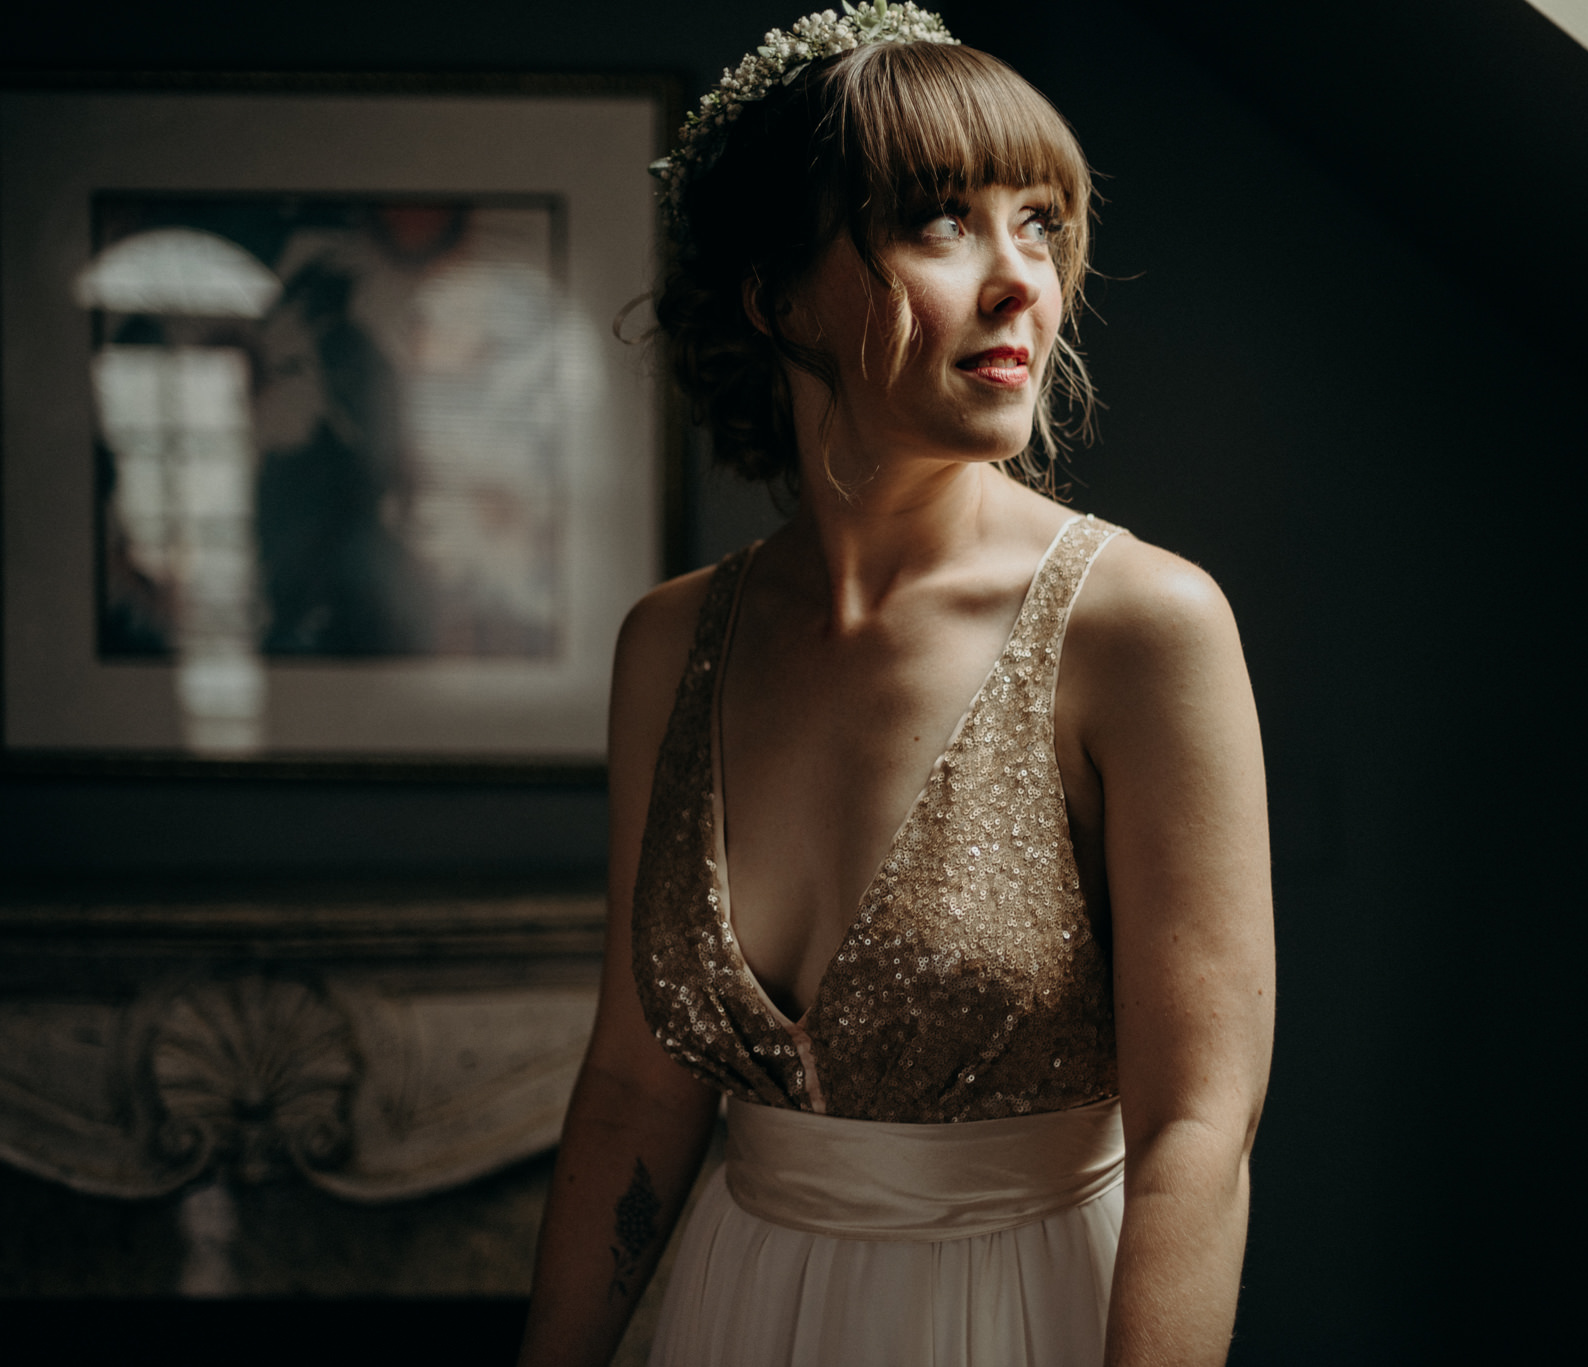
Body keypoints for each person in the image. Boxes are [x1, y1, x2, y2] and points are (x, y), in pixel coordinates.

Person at [517, 7, 1274, 1364]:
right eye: (941, 222)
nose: (1020, 282)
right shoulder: (672, 645)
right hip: (739, 1310)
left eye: (1040, 223)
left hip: (1024, 1318)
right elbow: (636, 1090)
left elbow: (1198, 1132)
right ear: (776, 295)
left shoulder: (1143, 629)